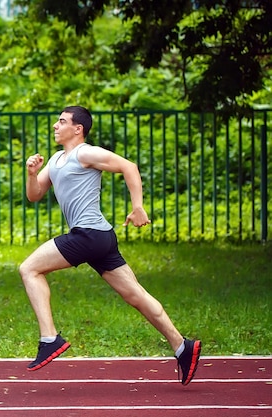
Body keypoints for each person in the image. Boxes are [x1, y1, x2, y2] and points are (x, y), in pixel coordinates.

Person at [19, 105, 201, 385]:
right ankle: (182, 346)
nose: (55, 125)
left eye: (62, 121)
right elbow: (35, 196)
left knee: (29, 269)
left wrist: (137, 207)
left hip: (88, 235)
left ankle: (49, 338)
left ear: (77, 129)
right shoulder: (56, 160)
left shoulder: (85, 153)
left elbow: (128, 166)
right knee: (135, 295)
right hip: (99, 238)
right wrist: (32, 173)